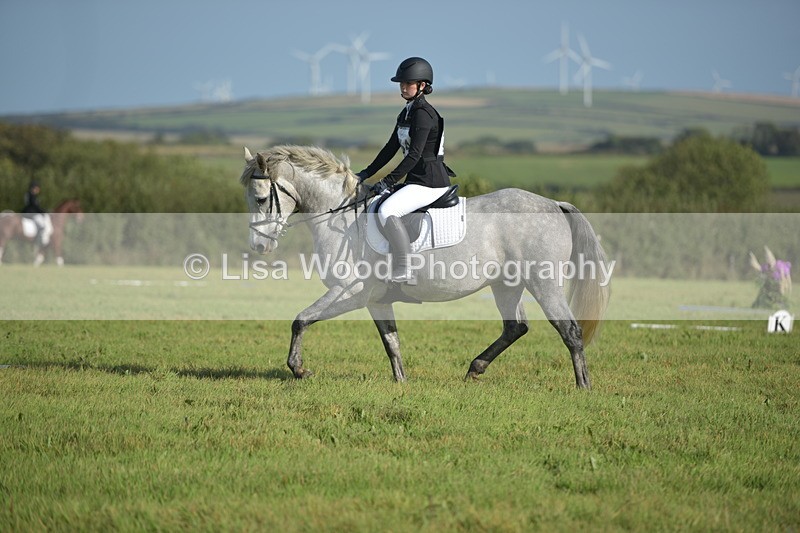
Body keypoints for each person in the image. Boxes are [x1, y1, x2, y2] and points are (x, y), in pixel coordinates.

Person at [357, 57, 456, 283]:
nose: (403, 87)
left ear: (422, 85)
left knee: (387, 211)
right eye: (401, 83)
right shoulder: (406, 113)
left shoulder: (424, 114)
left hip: (431, 182)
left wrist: (387, 181)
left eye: (408, 83)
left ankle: (405, 266)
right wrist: (365, 173)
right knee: (376, 203)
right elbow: (390, 149)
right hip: (416, 180)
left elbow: (414, 156)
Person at [21, 180, 53, 247]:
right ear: (34, 188)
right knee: (41, 225)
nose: (38, 190)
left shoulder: (29, 194)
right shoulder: (32, 195)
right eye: (37, 188)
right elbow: (35, 206)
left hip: (28, 212)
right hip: (31, 213)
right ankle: (38, 240)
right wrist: (43, 212)